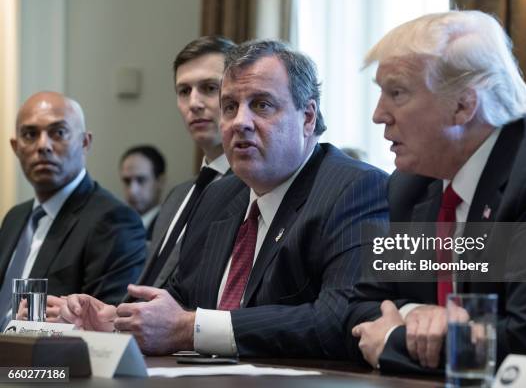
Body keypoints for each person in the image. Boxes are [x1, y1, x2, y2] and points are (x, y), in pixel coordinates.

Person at [64, 40, 389, 358]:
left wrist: (192, 329)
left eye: (261, 105)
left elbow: (340, 318)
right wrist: (119, 322)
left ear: (307, 117)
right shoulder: (218, 195)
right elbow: (178, 302)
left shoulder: (354, 189)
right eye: (230, 107)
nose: (240, 122)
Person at [348, 10, 526, 373]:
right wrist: (418, 315)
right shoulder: (411, 183)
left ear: (463, 105)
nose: (379, 115)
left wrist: (396, 341)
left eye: (397, 93)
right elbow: (363, 305)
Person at [56, 37, 236, 324]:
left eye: (209, 88)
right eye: (183, 91)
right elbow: (152, 290)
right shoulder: (179, 196)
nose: (194, 103)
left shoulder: (253, 190)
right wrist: (106, 315)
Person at [0, 91, 146, 327]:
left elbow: (109, 325)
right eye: (30, 134)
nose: (43, 145)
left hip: (49, 362)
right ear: (16, 147)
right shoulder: (15, 218)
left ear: (85, 142)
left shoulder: (114, 221)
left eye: (58, 132)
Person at [119, 145, 166, 239]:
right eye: (127, 181)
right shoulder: (114, 226)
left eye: (141, 180)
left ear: (160, 181)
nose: (132, 191)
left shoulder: (169, 228)